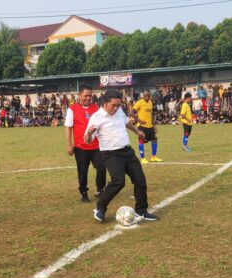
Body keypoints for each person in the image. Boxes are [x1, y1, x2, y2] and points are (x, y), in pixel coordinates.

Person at [83, 89, 158, 223]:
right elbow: (88, 140)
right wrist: (89, 134)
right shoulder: (96, 118)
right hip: (111, 154)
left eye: (118, 105)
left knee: (140, 180)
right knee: (118, 181)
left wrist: (137, 131)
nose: (116, 108)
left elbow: (127, 123)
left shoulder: (118, 112)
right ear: (105, 103)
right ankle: (100, 208)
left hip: (127, 151)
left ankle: (141, 210)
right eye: (114, 105)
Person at [65, 85, 106, 203]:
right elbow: (68, 127)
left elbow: (101, 125)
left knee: (102, 167)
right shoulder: (72, 109)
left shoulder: (96, 108)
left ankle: (100, 190)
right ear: (79, 96)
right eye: (85, 96)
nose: (88, 98)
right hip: (80, 147)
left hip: (96, 146)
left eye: (90, 96)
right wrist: (69, 144)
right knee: (82, 171)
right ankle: (83, 192)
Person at [131, 90, 162, 164]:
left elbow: (151, 115)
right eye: (146, 96)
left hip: (150, 126)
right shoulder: (139, 102)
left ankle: (153, 157)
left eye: (148, 96)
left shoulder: (151, 102)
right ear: (143, 96)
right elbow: (131, 112)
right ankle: (142, 158)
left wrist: (154, 125)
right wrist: (138, 120)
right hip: (142, 126)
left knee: (154, 140)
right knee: (141, 140)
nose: (147, 97)